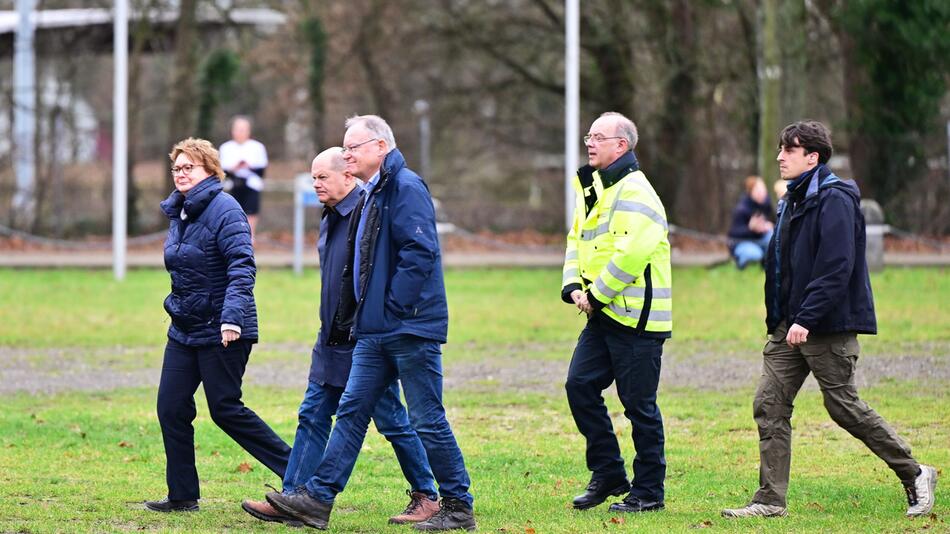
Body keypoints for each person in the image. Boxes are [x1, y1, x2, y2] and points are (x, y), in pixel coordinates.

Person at [265, 115, 476, 531]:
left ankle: (458, 506)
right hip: (375, 331)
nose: (347, 154)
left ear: (380, 146)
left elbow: (420, 252)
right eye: (344, 148)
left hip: (409, 328)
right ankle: (318, 500)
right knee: (351, 412)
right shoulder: (376, 190)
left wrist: (393, 307)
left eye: (353, 147)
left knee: (425, 418)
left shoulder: (406, 186)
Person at [722, 120, 937, 519]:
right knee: (768, 404)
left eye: (789, 150)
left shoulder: (835, 198)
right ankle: (770, 500)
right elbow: (784, 265)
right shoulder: (791, 200)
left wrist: (807, 316)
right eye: (781, 149)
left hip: (825, 324)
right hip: (790, 325)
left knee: (843, 406)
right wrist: (781, 318)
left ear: (813, 157)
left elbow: (836, 266)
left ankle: (916, 471)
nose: (780, 157)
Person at [240, 147, 439, 526]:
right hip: (331, 337)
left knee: (393, 420)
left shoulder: (366, 213)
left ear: (347, 178)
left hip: (363, 339)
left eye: (322, 177)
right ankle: (293, 497)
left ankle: (427, 493)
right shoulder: (331, 215)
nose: (316, 184)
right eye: (313, 178)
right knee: (312, 414)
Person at [146, 138, 291, 512]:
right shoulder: (181, 213)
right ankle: (182, 496)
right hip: (185, 327)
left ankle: (300, 474)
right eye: (176, 168)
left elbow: (242, 266)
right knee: (171, 407)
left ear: (210, 171)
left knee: (225, 408)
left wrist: (232, 317)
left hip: (224, 327)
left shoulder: (226, 210)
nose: (180, 174)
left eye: (188, 167)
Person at [561, 112, 672, 514]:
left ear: (622, 146)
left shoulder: (636, 190)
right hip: (604, 313)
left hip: (638, 320)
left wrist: (597, 295)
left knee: (639, 406)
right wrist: (574, 285)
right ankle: (608, 474)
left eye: (598, 137)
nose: (589, 142)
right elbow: (579, 238)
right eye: (588, 136)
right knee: (579, 387)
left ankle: (648, 492)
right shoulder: (595, 186)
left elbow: (633, 253)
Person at [220, 115, 268, 242]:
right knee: (232, 213)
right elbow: (222, 171)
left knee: (251, 214)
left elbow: (261, 170)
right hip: (232, 186)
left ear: (249, 131)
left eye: (243, 129)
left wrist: (248, 167)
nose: (240, 132)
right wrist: (234, 168)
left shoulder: (257, 147)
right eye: (238, 129)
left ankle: (250, 240)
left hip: (252, 185)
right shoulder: (226, 148)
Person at [727, 176, 774, 269]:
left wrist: (769, 226)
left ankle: (767, 264)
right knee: (755, 255)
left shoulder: (767, 205)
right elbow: (733, 234)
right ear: (751, 192)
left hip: (762, 239)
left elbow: (775, 222)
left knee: (773, 237)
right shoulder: (742, 209)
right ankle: (740, 262)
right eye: (758, 191)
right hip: (743, 242)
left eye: (763, 190)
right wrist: (750, 228)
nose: (761, 193)